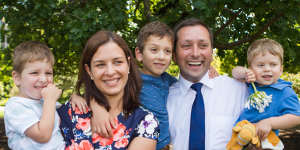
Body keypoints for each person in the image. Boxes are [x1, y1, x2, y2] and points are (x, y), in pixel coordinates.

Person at [57, 30, 159, 150]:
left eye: (118, 62)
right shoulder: (66, 114)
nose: (110, 72)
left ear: (128, 65)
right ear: (89, 70)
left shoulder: (145, 123)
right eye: (100, 64)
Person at [166, 18, 249, 150]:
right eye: (186, 46)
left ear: (211, 52)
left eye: (203, 45)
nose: (195, 53)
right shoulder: (163, 98)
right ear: (174, 55)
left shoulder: (240, 90)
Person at [231, 38, 300, 148]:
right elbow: (234, 72)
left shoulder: (283, 90)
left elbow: (296, 116)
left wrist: (269, 122)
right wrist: (245, 73)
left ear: (281, 69)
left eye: (273, 64)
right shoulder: (251, 83)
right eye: (260, 65)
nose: (267, 69)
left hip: (264, 143)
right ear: (251, 68)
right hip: (241, 139)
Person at [4, 41, 65, 149]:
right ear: (17, 78)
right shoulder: (16, 106)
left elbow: (67, 114)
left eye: (48, 73)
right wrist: (50, 101)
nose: (43, 79)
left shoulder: (45, 101)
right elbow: (42, 136)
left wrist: (76, 99)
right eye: (34, 73)